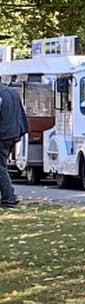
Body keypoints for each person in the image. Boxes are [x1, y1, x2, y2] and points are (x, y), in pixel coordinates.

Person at [0, 80, 26, 209]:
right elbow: (20, 113)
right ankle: (8, 196)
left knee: (0, 167)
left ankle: (8, 197)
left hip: (2, 134)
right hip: (13, 133)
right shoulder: (12, 93)